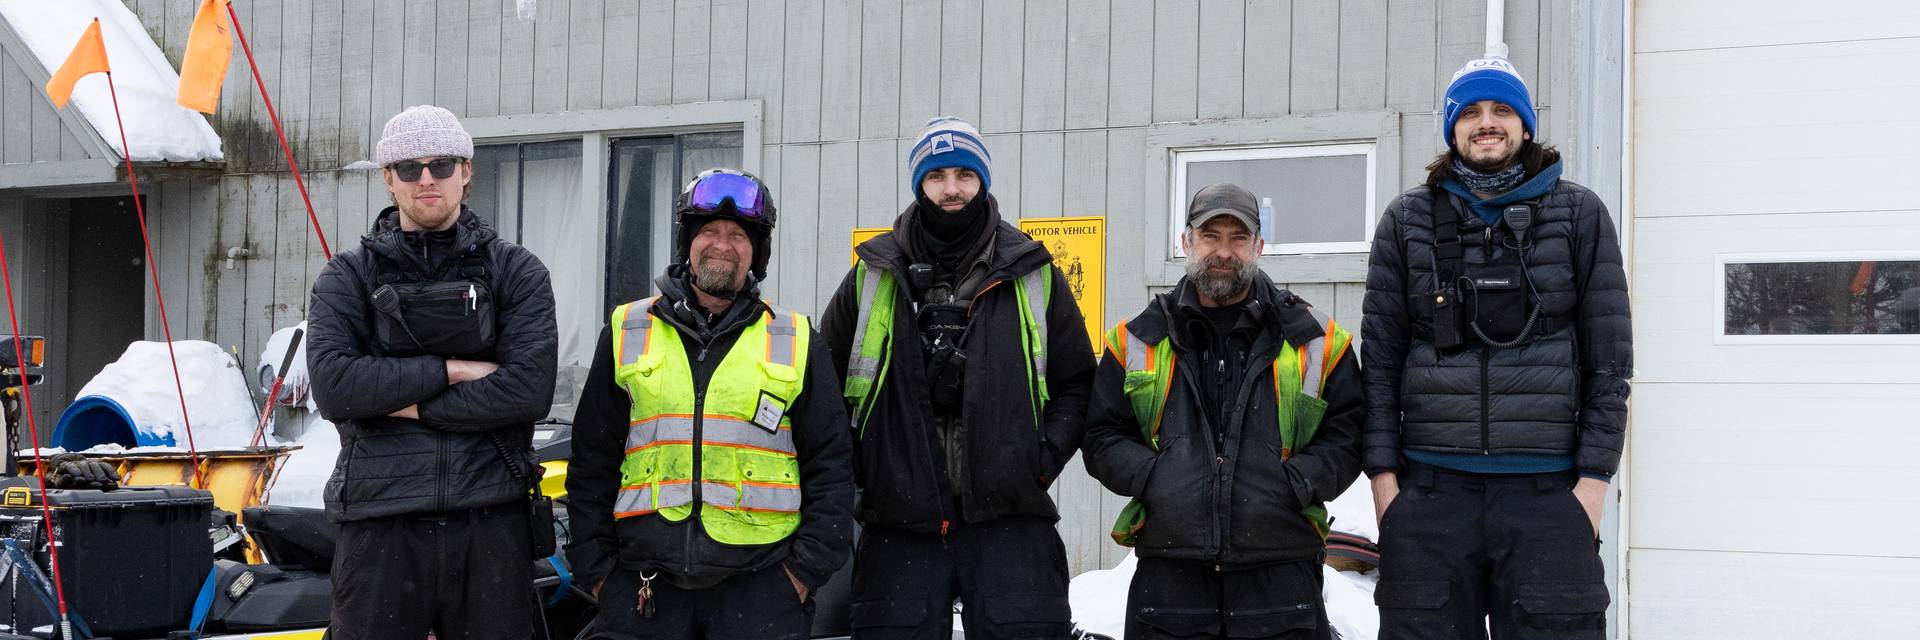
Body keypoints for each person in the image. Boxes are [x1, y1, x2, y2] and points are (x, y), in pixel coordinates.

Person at [1362, 56, 1632, 639]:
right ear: (1453, 129)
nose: (1487, 123)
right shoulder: (1407, 220)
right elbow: (1379, 364)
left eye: (1503, 109)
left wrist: (1592, 484)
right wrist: (1386, 485)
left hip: (1549, 494)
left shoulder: (1579, 214)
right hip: (1431, 492)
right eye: (1472, 112)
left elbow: (1610, 364)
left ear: (1526, 125)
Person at [819, 116, 1095, 639]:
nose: (951, 189)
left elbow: (1078, 383)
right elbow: (824, 391)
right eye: (937, 175)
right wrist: (868, 466)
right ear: (918, 183)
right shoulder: (872, 274)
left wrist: (1036, 462)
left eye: (964, 175)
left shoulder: (1033, 272)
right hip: (898, 525)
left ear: (982, 182)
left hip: (1010, 521)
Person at [566, 169, 854, 639]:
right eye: (709, 232)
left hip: (762, 593)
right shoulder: (627, 329)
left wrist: (801, 577)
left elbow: (833, 467)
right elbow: (592, 462)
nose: (723, 244)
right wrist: (598, 574)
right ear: (687, 243)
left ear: (756, 254)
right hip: (644, 591)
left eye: (739, 235)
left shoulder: (797, 339)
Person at [308, 104, 559, 639]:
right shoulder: (347, 277)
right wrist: (453, 369)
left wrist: (404, 402)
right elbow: (335, 388)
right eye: (409, 167)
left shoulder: (516, 271)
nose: (427, 179)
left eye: (442, 165)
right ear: (388, 180)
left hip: (491, 518)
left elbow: (527, 391)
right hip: (380, 525)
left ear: (466, 172)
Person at [1083, 183, 1364, 640]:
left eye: (1239, 238)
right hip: (1170, 578)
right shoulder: (1137, 339)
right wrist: (1156, 479)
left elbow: (1348, 435)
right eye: (1211, 235)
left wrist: (1293, 484)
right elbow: (1101, 436)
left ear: (1259, 246)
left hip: (1280, 573)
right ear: (1186, 242)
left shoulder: (1316, 340)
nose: (1225, 252)